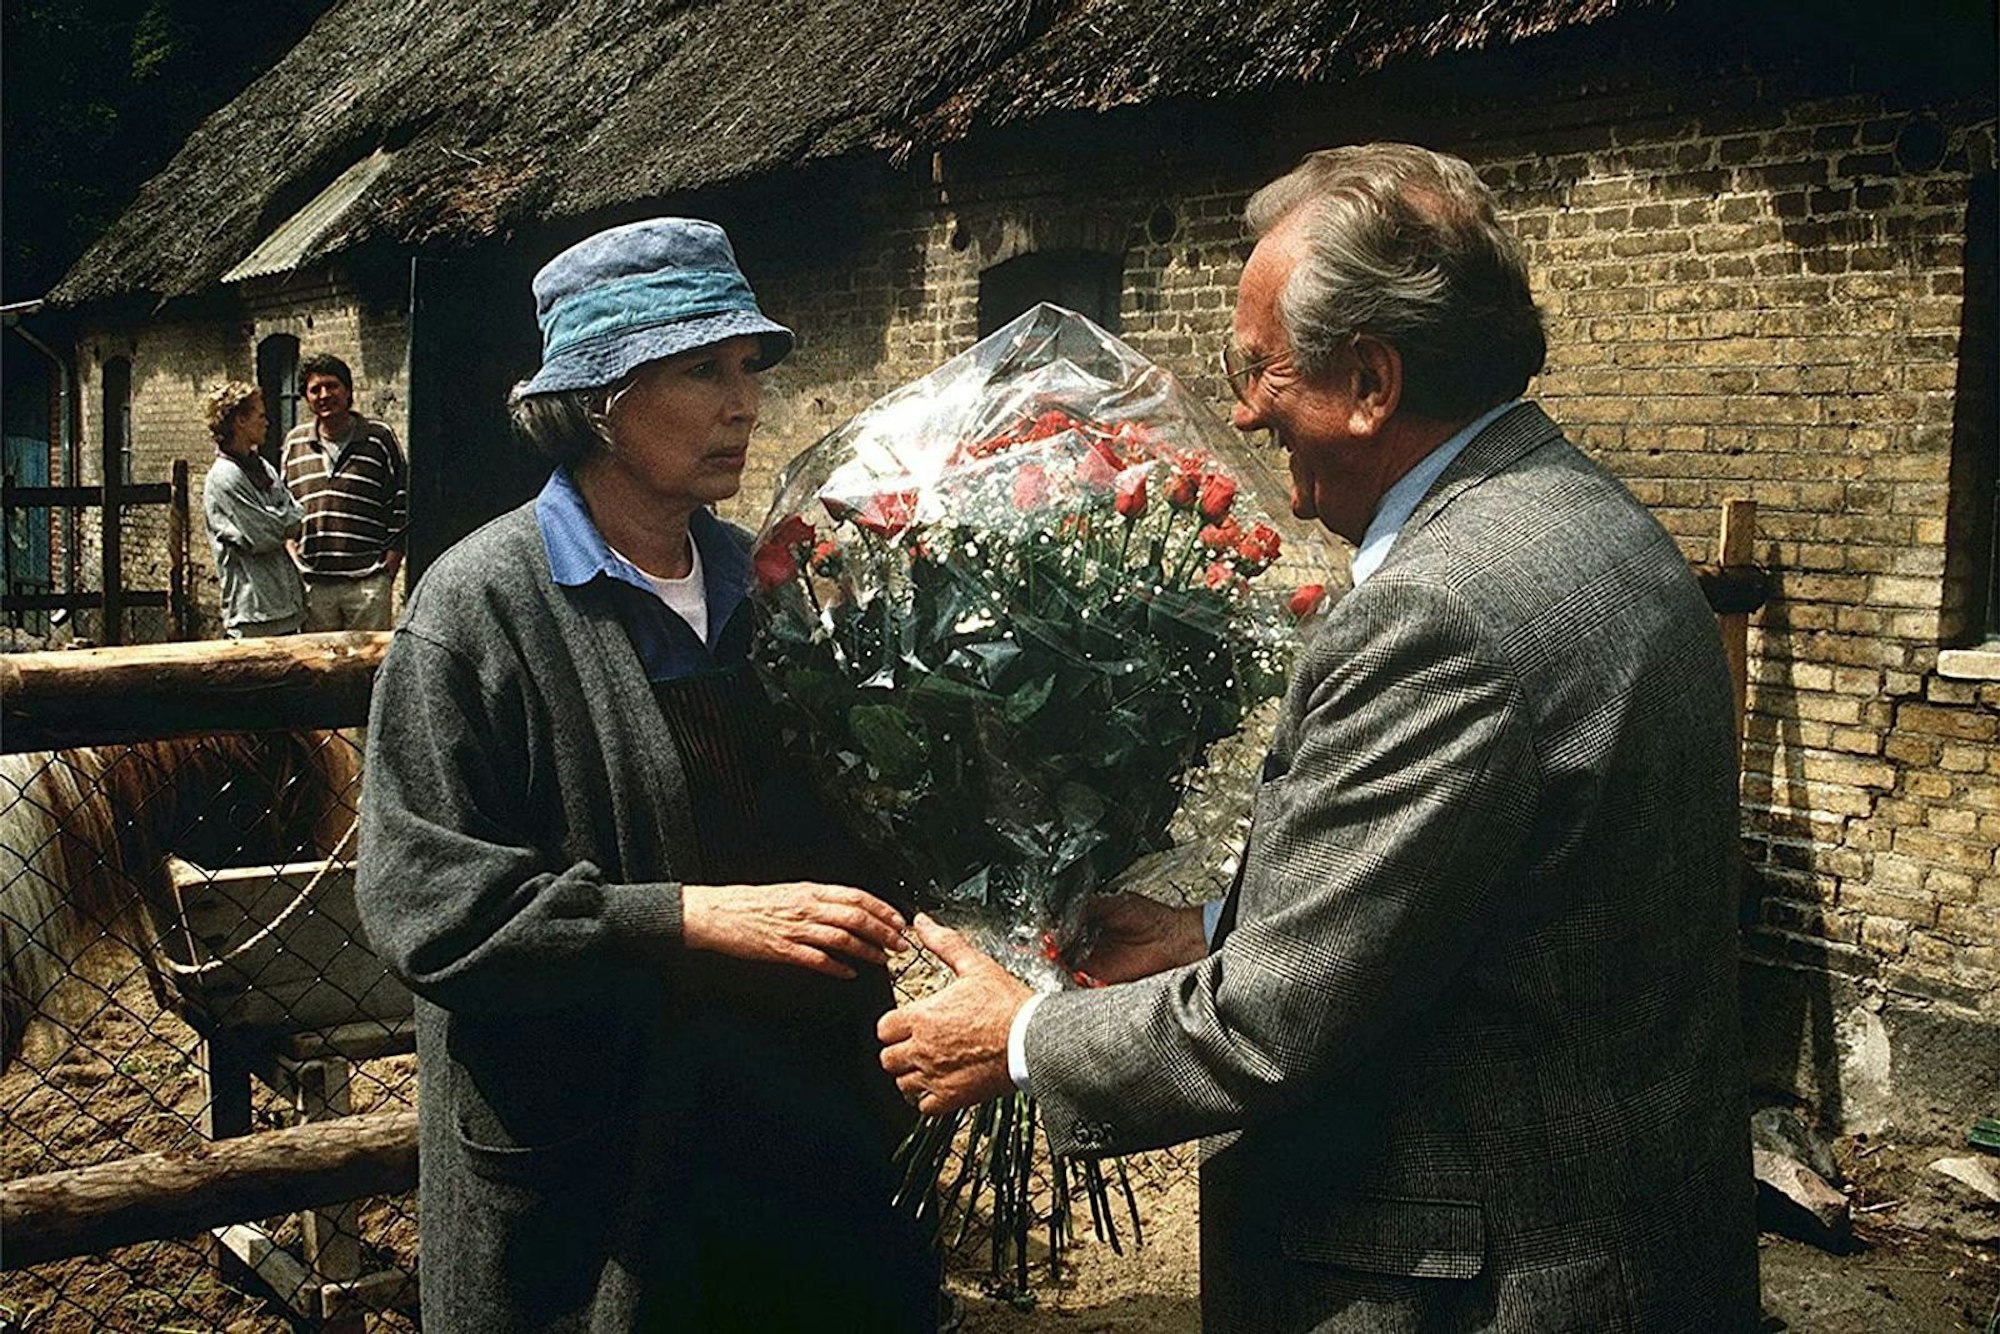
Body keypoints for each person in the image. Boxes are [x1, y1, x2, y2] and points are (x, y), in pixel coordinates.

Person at [880, 143, 1759, 1332]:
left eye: (1258, 372)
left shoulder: (1438, 611)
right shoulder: (1582, 517)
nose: (1241, 412)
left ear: (1370, 382)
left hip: (1487, 1279)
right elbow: (1491, 892)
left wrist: (1022, 1035)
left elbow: (1269, 1027)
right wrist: (1208, 929)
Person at [354, 217, 935, 1333]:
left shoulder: (770, 581)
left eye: (749, 367)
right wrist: (682, 916)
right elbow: (429, 913)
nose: (745, 403)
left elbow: (858, 819)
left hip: (790, 1135)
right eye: (701, 369)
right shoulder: (481, 610)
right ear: (600, 400)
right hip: (601, 1166)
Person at [282, 352, 407, 630]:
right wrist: (292, 553)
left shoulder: (378, 437)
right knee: (318, 670)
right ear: (306, 397)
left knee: (369, 670)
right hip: (314, 586)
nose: (324, 395)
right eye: (315, 390)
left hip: (367, 584)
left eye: (332, 386)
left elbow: (402, 499)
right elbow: (282, 505)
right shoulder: (294, 443)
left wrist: (389, 567)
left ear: (347, 390)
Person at [201, 382, 306, 638]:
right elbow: (260, 535)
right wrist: (284, 520)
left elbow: (296, 516)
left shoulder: (263, 466)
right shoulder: (224, 477)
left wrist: (283, 519)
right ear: (241, 420)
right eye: (260, 415)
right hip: (253, 614)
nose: (267, 422)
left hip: (286, 608)